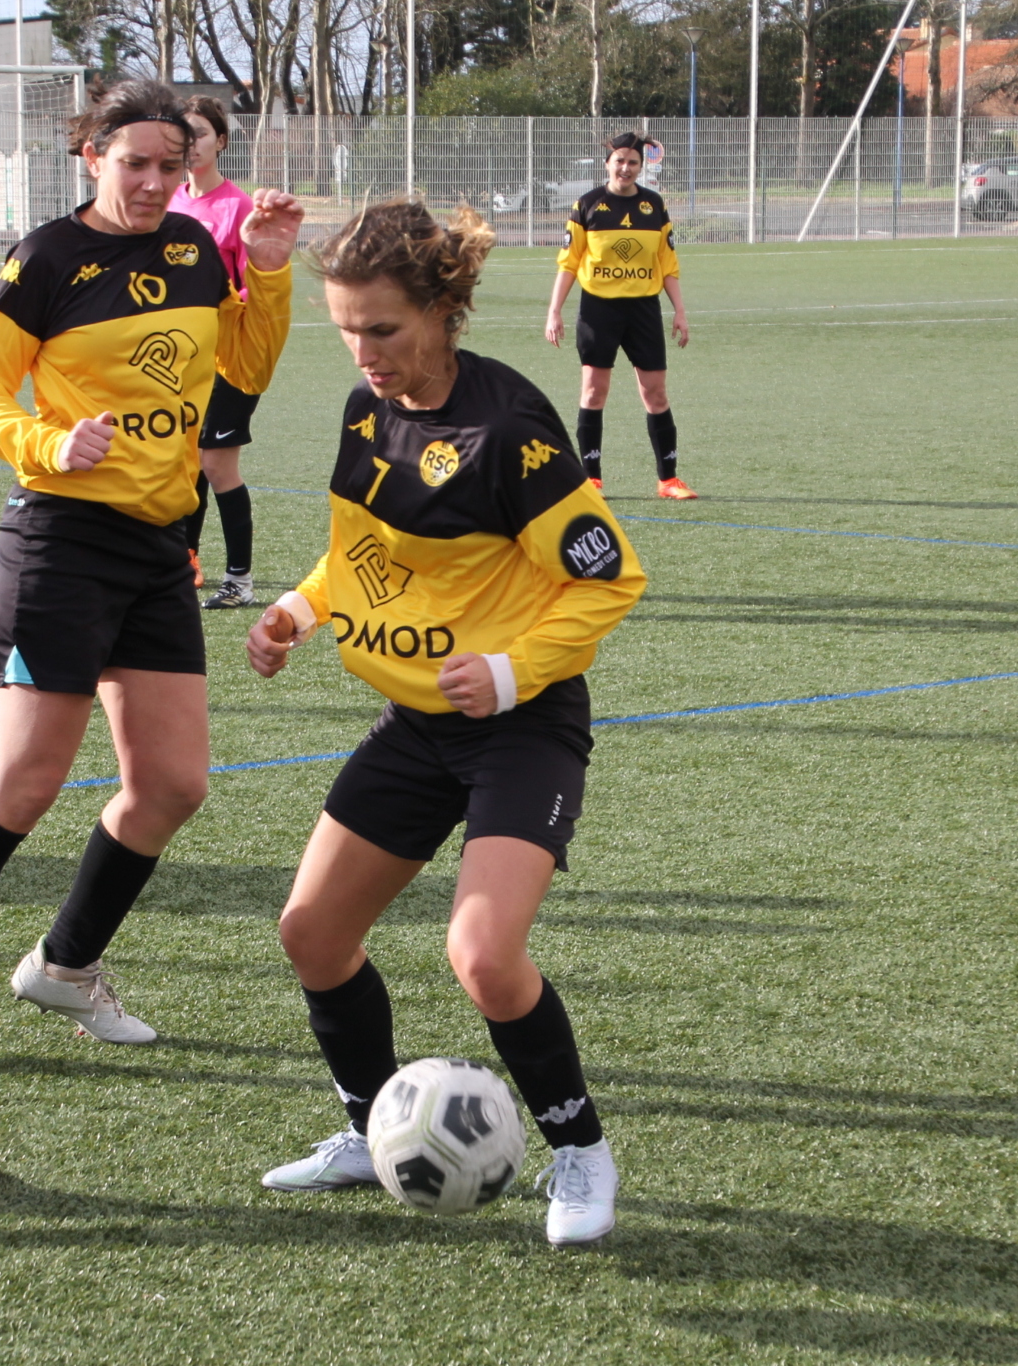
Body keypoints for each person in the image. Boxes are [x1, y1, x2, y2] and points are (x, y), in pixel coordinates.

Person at [246, 201, 648, 1247]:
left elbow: (610, 581)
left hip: (520, 728)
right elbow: (360, 558)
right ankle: (366, 1123)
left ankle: (579, 1151)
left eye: (381, 328)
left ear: (440, 309)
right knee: (312, 933)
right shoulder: (361, 411)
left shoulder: (509, 430)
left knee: (479, 954)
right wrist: (299, 607)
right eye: (346, 328)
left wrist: (514, 672)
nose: (363, 351)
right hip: (413, 723)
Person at [0, 78, 299, 1064]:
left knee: (171, 785)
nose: (154, 182)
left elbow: (240, 370)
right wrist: (43, 443)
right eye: (134, 164)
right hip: (60, 540)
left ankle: (63, 966)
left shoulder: (196, 248)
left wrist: (269, 273)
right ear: (91, 157)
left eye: (170, 164)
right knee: (24, 781)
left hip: (157, 549)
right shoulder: (49, 257)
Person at [544, 131, 696, 500]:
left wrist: (679, 311)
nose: (625, 168)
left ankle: (669, 480)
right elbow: (569, 263)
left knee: (655, 393)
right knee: (594, 391)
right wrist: (554, 311)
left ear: (641, 167)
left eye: (632, 162)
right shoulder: (588, 205)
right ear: (607, 163)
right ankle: (591, 479)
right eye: (619, 161)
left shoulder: (654, 206)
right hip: (599, 310)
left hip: (643, 310)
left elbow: (667, 263)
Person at [170, 95, 263, 610]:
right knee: (188, 460)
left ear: (221, 141)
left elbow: (256, 288)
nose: (191, 144)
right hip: (183, 358)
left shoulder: (238, 207)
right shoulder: (172, 203)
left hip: (231, 356)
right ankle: (185, 562)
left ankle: (241, 580)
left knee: (216, 464)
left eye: (201, 133)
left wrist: (222, 303)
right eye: (184, 134)